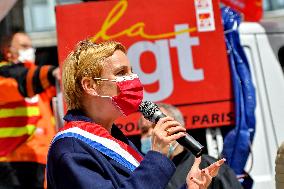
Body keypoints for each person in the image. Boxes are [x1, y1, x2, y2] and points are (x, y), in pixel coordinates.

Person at [47, 40, 225, 189]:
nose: (133, 79)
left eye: (131, 71)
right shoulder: (70, 149)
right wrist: (158, 156)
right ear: (90, 86)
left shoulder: (117, 140)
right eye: (121, 73)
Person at [0, 32, 59, 188]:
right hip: (12, 159)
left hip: (40, 157)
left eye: (31, 46)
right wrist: (51, 72)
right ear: (8, 52)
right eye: (24, 46)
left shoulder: (36, 77)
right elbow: (20, 82)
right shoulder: (5, 76)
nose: (30, 50)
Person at [138, 103, 243, 189]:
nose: (152, 133)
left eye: (158, 126)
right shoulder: (141, 173)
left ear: (179, 127)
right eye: (144, 130)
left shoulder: (210, 168)